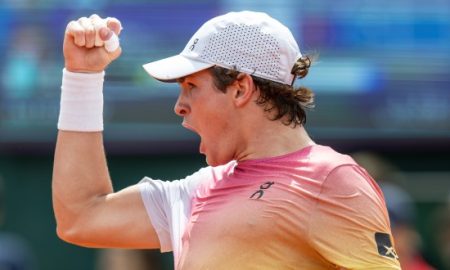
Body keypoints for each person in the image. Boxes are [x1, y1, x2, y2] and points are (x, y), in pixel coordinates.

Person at [52, 11, 401, 269]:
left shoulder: (333, 179)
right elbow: (81, 217)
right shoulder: (198, 190)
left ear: (240, 88)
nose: (179, 107)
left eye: (191, 87)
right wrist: (83, 76)